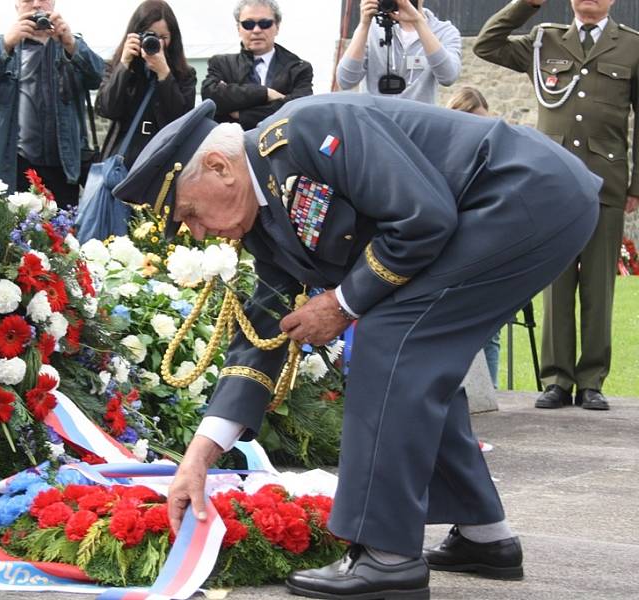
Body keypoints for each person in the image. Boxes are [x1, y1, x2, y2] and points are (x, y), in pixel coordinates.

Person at [113, 93, 601, 598]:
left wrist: (342, 303)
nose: (195, 232)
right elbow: (263, 337)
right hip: (515, 205)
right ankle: (484, 535)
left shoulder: (309, 129)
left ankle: (386, 558)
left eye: (189, 213)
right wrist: (197, 458)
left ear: (219, 167)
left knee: (391, 338)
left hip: (525, 193)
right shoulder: (263, 223)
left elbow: (423, 218)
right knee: (416, 350)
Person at [474, 0, 639, 411]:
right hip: (555, 181)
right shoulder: (543, 40)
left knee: (599, 285)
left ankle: (591, 381)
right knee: (556, 282)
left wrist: (637, 185)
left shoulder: (632, 47)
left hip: (606, 180)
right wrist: (525, 5)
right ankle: (557, 380)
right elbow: (486, 46)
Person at [0, 0, 104, 208]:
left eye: (43, 0)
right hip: (14, 164)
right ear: (17, 7)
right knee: (13, 236)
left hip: (64, 165)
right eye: (27, 1)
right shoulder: (2, 44)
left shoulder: (70, 44)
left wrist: (70, 43)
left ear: (53, 4)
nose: (36, 5)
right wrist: (6, 44)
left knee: (63, 237)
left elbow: (98, 77)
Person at [96, 0, 196, 171]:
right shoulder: (118, 66)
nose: (156, 42)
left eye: (163, 37)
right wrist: (125, 65)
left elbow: (181, 120)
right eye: (149, 35)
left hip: (163, 160)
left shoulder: (184, 74)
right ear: (135, 34)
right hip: (124, 159)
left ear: (173, 37)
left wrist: (164, 74)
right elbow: (106, 109)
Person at [446, 86, 500, 388]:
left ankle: (488, 394)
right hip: (451, 252)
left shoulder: (495, 156)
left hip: (488, 249)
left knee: (490, 334)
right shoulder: (441, 154)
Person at [201, 0, 313, 130]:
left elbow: (299, 108)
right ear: (238, 29)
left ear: (277, 27)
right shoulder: (221, 64)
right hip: (234, 145)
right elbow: (211, 98)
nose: (256, 30)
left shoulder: (298, 68)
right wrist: (265, 93)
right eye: (248, 24)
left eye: (265, 23)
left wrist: (242, 114)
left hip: (281, 145)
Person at [336, 0, 461, 104]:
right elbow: (345, 80)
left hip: (418, 127)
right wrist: (364, 25)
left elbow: (448, 77)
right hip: (375, 124)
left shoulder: (445, 32)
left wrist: (418, 23)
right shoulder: (372, 28)